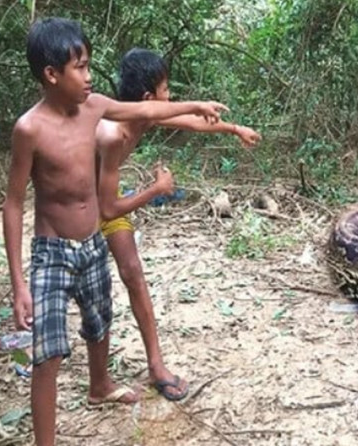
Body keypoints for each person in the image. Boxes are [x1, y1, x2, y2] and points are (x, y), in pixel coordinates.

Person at [4, 17, 227, 446]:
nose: (90, 76)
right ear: (52, 75)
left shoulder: (95, 106)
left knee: (98, 322)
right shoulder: (29, 129)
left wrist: (196, 104)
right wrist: (18, 282)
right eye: (81, 67)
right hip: (52, 250)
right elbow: (13, 203)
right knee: (48, 353)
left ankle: (99, 386)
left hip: (92, 243)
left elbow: (146, 109)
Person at [95, 47, 261, 401]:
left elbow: (188, 120)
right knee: (82, 286)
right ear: (147, 97)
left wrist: (234, 129)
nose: (171, 96)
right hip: (80, 212)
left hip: (104, 202)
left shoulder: (143, 116)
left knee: (133, 273)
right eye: (166, 89)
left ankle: (157, 366)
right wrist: (156, 190)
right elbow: (107, 208)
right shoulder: (112, 134)